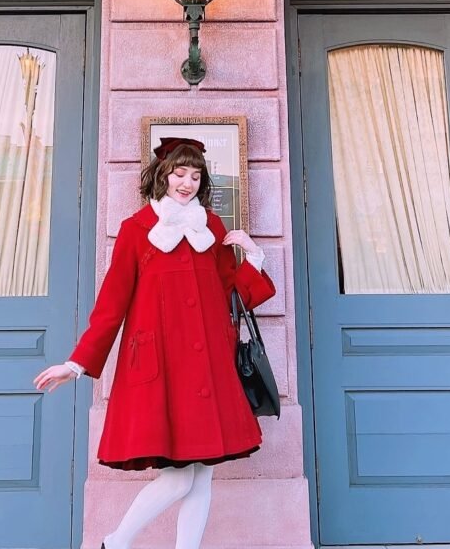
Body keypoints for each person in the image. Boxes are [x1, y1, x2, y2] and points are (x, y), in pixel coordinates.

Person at [33, 136, 276, 549]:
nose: (188, 182)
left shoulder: (210, 228)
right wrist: (76, 364)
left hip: (211, 367)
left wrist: (253, 255)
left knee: (202, 473)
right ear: (162, 175)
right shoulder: (136, 230)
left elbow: (233, 291)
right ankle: (114, 541)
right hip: (162, 367)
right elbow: (111, 304)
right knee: (181, 474)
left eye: (196, 175)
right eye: (180, 173)